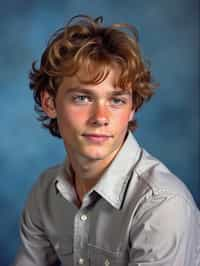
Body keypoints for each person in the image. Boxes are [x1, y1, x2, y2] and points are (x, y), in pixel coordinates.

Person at [13, 15, 200, 266]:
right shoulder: (45, 193)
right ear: (49, 103)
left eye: (117, 100)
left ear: (132, 107)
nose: (101, 118)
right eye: (83, 98)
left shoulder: (162, 205)